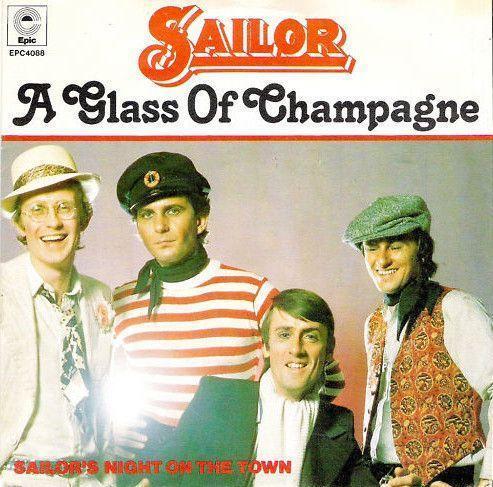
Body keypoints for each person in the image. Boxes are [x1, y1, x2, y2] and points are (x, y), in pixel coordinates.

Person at [110, 152, 278, 483]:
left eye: (173, 210)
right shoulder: (120, 301)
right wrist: (109, 428)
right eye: (147, 214)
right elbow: (92, 386)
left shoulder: (253, 292)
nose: (160, 226)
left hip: (221, 472)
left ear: (200, 219)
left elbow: (318, 379)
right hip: (143, 471)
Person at [343, 194, 493, 487]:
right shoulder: (374, 322)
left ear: (421, 249)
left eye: (395, 246)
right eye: (372, 247)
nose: (382, 260)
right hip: (379, 477)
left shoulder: (455, 307)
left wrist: (489, 479)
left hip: (447, 480)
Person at [171, 288, 375, 487]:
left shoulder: (340, 424)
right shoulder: (216, 399)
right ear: (266, 346)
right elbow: (163, 475)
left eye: (310, 336)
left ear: (329, 350)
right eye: (284, 335)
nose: (296, 349)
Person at [0, 145, 113, 486]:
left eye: (65, 207)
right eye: (38, 210)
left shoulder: (101, 296)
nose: (53, 222)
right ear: (20, 224)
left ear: (84, 217)